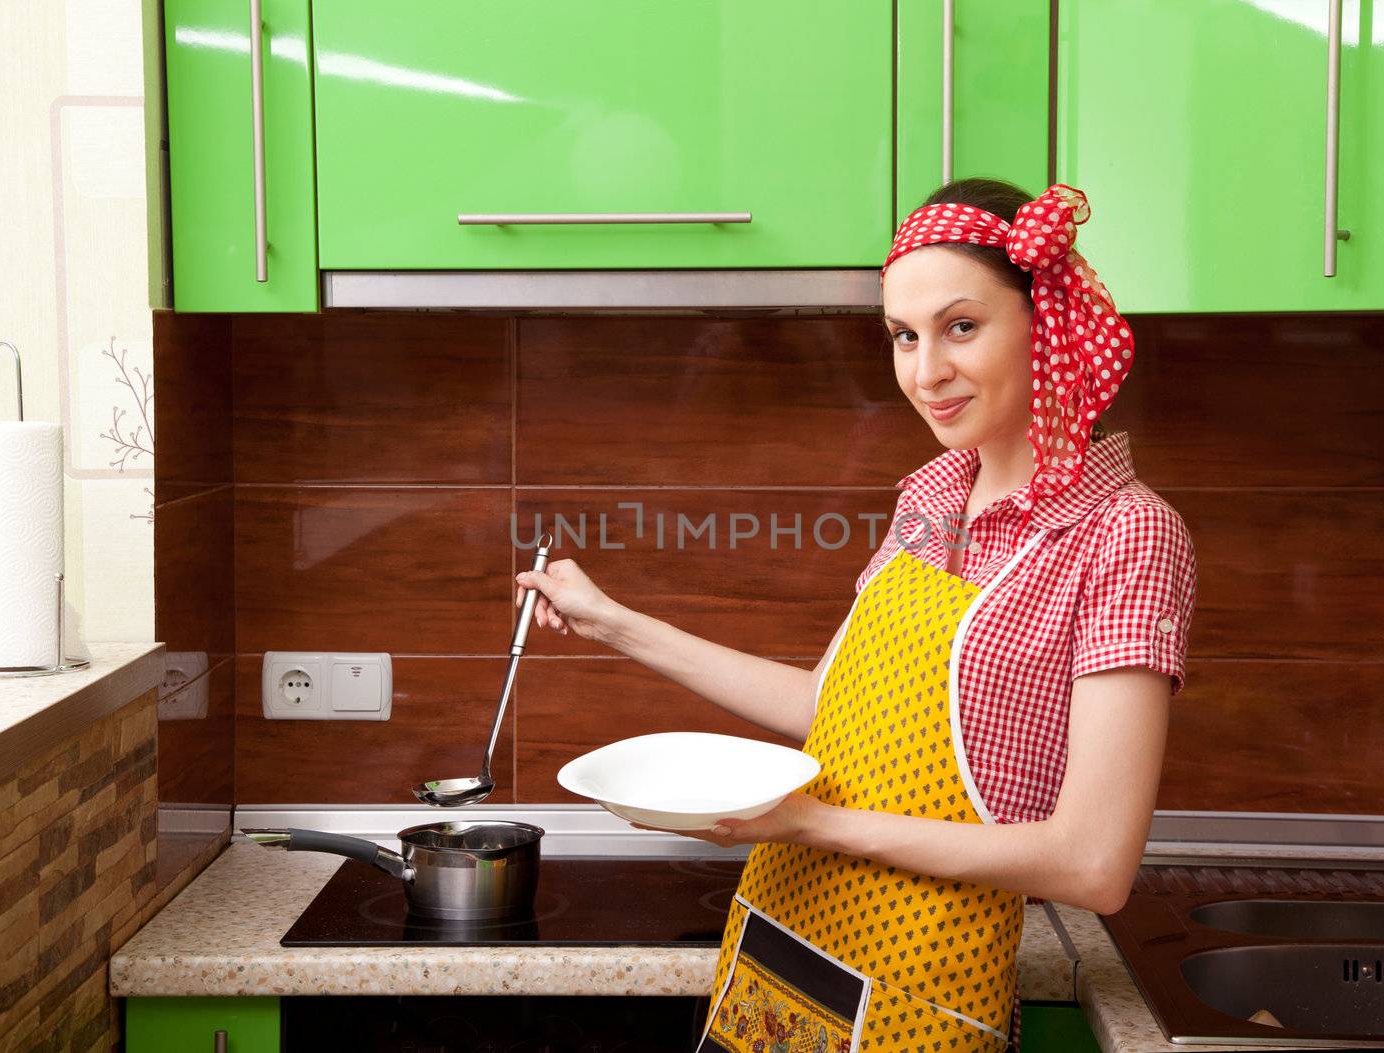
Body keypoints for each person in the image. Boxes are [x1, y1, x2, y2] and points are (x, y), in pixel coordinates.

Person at [513, 178, 1198, 1052]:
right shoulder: (931, 496)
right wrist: (610, 620)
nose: (926, 372)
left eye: (960, 327)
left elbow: (1092, 864)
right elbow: (823, 707)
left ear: (1047, 320)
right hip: (778, 947)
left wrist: (807, 821)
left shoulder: (1126, 533)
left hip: (922, 990)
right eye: (903, 337)